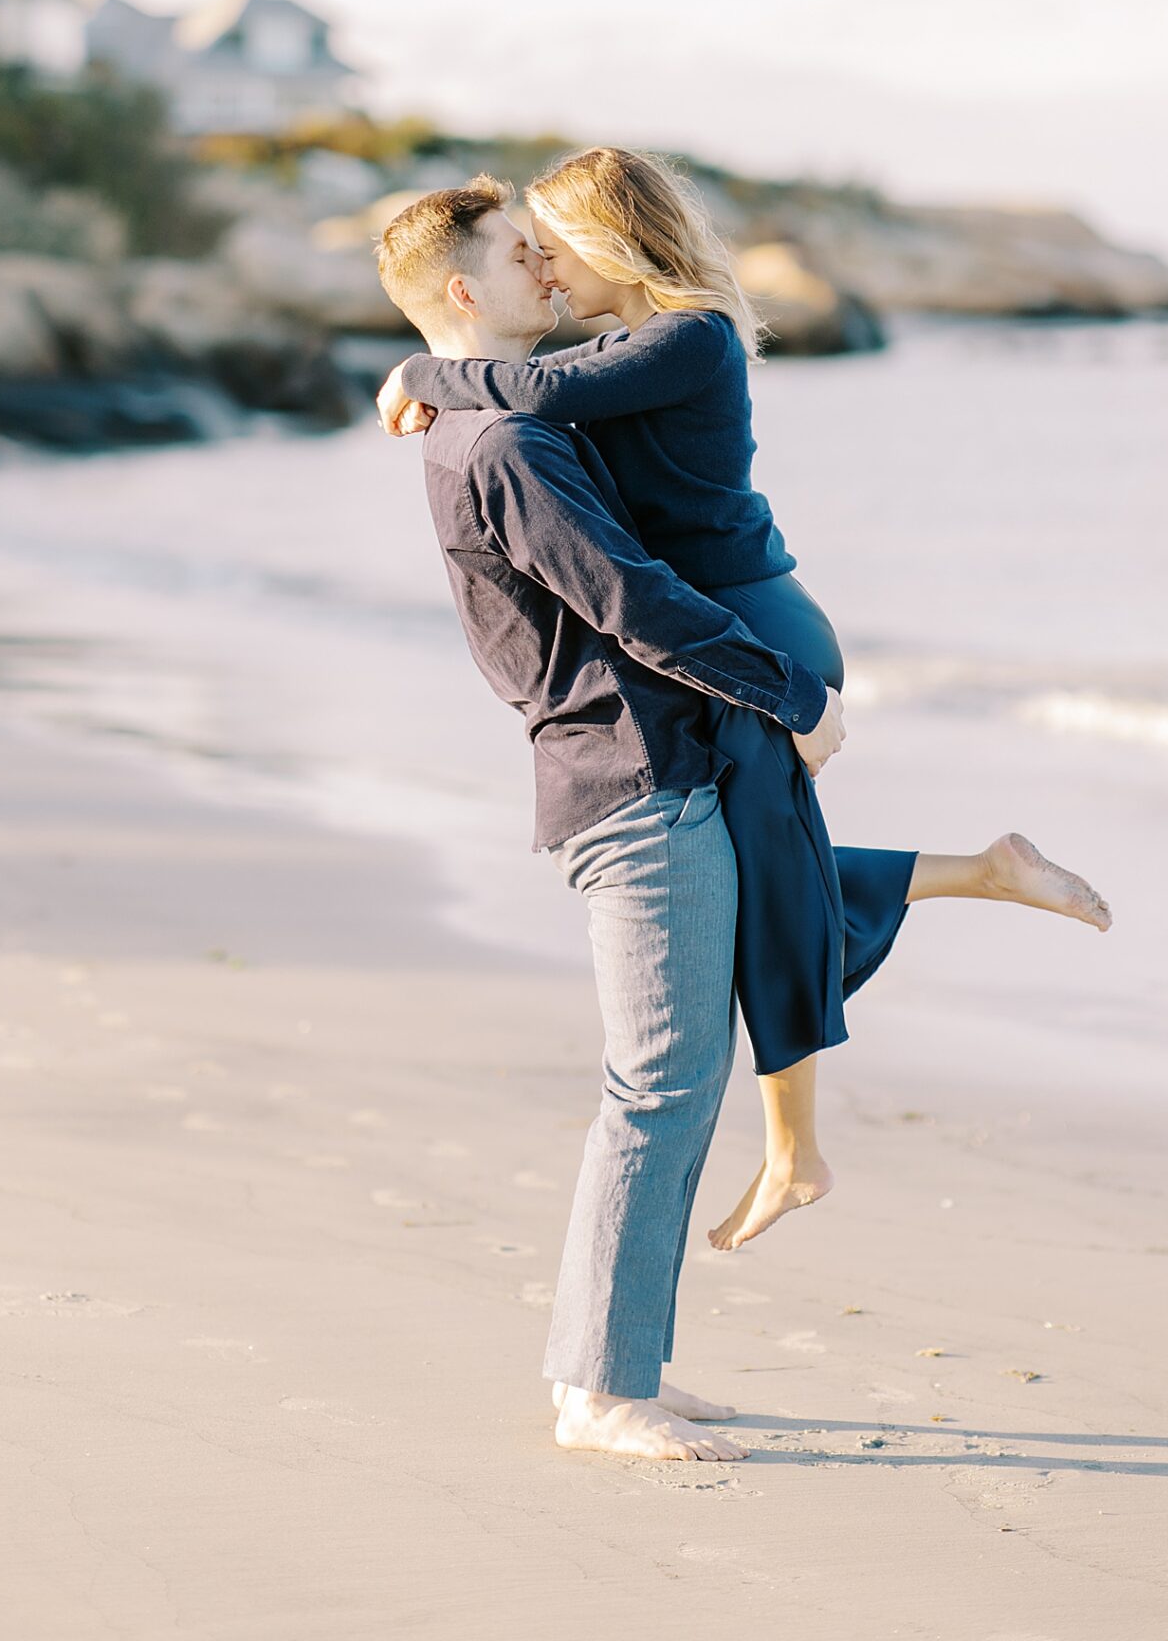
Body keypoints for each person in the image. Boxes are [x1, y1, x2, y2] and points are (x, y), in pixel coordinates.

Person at [379, 148, 1110, 1255]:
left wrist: (421, 376)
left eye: (556, 246)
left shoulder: (688, 333)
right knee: (765, 873)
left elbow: (533, 395)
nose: (549, 266)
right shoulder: (622, 346)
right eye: (530, 253)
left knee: (771, 878)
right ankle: (972, 886)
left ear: (613, 243)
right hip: (724, 627)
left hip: (755, 628)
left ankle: (794, 1151)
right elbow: (540, 405)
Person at [374, 174, 842, 1463]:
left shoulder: (494, 422)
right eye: (522, 252)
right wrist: (794, 693)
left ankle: (620, 1360)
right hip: (631, 777)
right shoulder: (507, 445)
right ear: (466, 289)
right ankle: (598, 1390)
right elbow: (629, 598)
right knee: (658, 1083)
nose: (546, 264)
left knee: (673, 1081)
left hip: (635, 764)